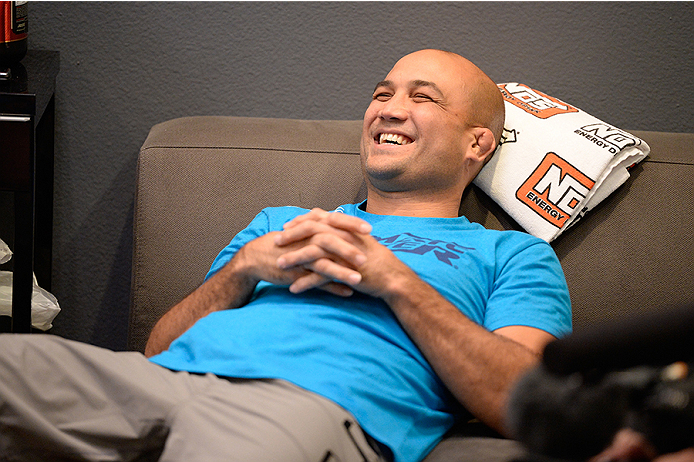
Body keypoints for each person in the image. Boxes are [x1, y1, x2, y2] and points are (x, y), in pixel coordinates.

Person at [0, 49, 572, 462]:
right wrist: (246, 269)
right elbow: (158, 348)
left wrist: (396, 282)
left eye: (422, 98)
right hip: (166, 382)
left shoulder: (513, 254)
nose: (388, 109)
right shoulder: (279, 224)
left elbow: (521, 399)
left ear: (478, 143)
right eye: (382, 94)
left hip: (311, 406)